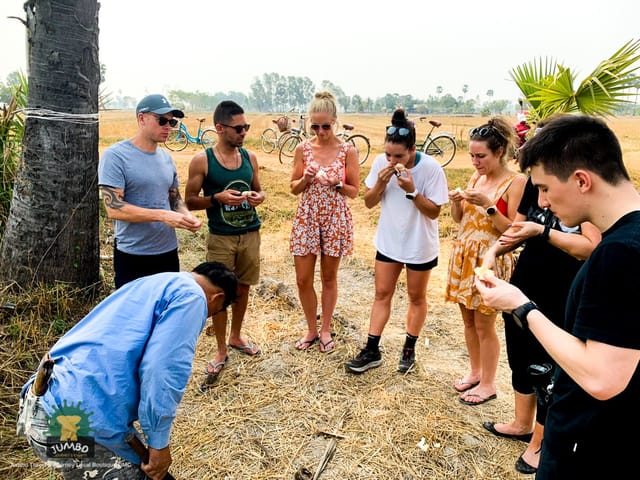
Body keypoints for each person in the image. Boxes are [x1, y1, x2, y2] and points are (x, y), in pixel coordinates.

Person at [476, 114, 640, 479]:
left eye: (546, 188)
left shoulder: (620, 253)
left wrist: (521, 306)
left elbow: (602, 378)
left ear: (582, 180)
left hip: (588, 447)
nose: (544, 203)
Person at [16, 262, 238, 480]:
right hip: (75, 423)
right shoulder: (193, 297)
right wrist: (158, 443)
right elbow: (162, 370)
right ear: (217, 298)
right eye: (213, 313)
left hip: (39, 403)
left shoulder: (153, 282)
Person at [481, 173, 600, 474]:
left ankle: (539, 442)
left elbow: (590, 246)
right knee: (519, 359)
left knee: (546, 370)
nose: (541, 192)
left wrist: (542, 231)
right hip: (525, 283)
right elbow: (517, 230)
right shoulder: (534, 185)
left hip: (559, 292)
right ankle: (521, 424)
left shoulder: (576, 194)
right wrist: (493, 252)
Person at [345, 109, 448, 373]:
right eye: (388, 154)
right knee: (381, 293)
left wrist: (412, 191)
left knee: (416, 297)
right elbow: (368, 203)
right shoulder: (381, 163)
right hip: (390, 241)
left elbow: (434, 211)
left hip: (419, 245)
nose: (392, 160)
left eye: (399, 156)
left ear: (413, 148)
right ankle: (371, 349)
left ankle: (409, 348)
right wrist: (379, 183)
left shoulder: (431, 169)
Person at [445, 116, 527, 405]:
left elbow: (514, 231)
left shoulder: (516, 182)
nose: (475, 162)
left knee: (484, 324)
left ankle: (489, 383)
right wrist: (457, 202)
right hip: (464, 255)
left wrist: (489, 206)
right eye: (472, 155)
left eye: (481, 156)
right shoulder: (476, 177)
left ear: (500, 152)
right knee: (468, 320)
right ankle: (476, 371)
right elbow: (460, 220)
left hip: (490, 259)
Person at [185, 100, 265, 384]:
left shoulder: (250, 157)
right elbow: (189, 201)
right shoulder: (202, 160)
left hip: (250, 233)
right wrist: (215, 198)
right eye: (238, 128)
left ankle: (236, 336)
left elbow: (259, 191)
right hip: (221, 236)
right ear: (220, 128)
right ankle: (220, 350)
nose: (243, 132)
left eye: (246, 127)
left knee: (243, 287)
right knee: (219, 292)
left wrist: (259, 197)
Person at [98, 93, 202, 289]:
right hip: (133, 255)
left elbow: (174, 199)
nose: (168, 127)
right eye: (162, 120)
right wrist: (162, 216)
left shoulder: (166, 159)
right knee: (134, 315)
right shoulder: (116, 156)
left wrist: (187, 217)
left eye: (171, 122)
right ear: (141, 118)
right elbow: (114, 208)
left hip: (167, 252)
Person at [289, 91, 360, 353]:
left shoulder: (347, 151)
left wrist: (337, 183)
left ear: (335, 122)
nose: (320, 131)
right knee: (302, 279)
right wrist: (305, 179)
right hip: (307, 217)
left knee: (329, 278)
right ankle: (311, 329)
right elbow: (294, 188)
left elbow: (355, 191)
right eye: (315, 126)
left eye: (325, 126)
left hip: (334, 218)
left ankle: (326, 329)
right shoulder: (303, 149)